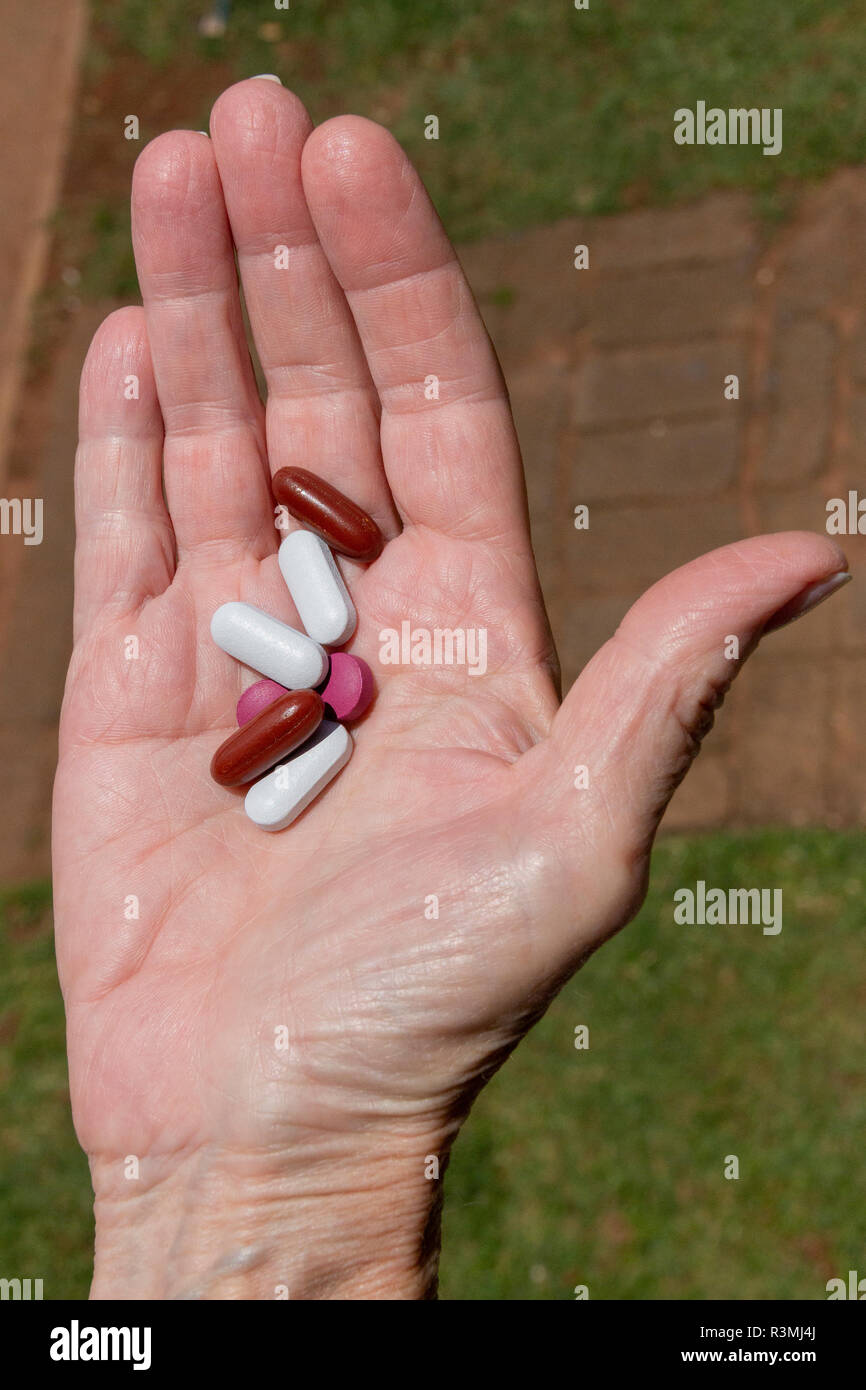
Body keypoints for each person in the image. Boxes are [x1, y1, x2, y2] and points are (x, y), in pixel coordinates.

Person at [53, 77, 850, 1299]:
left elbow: (317, 689)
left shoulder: (313, 661)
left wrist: (241, 1188)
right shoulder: (305, 671)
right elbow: (313, 693)